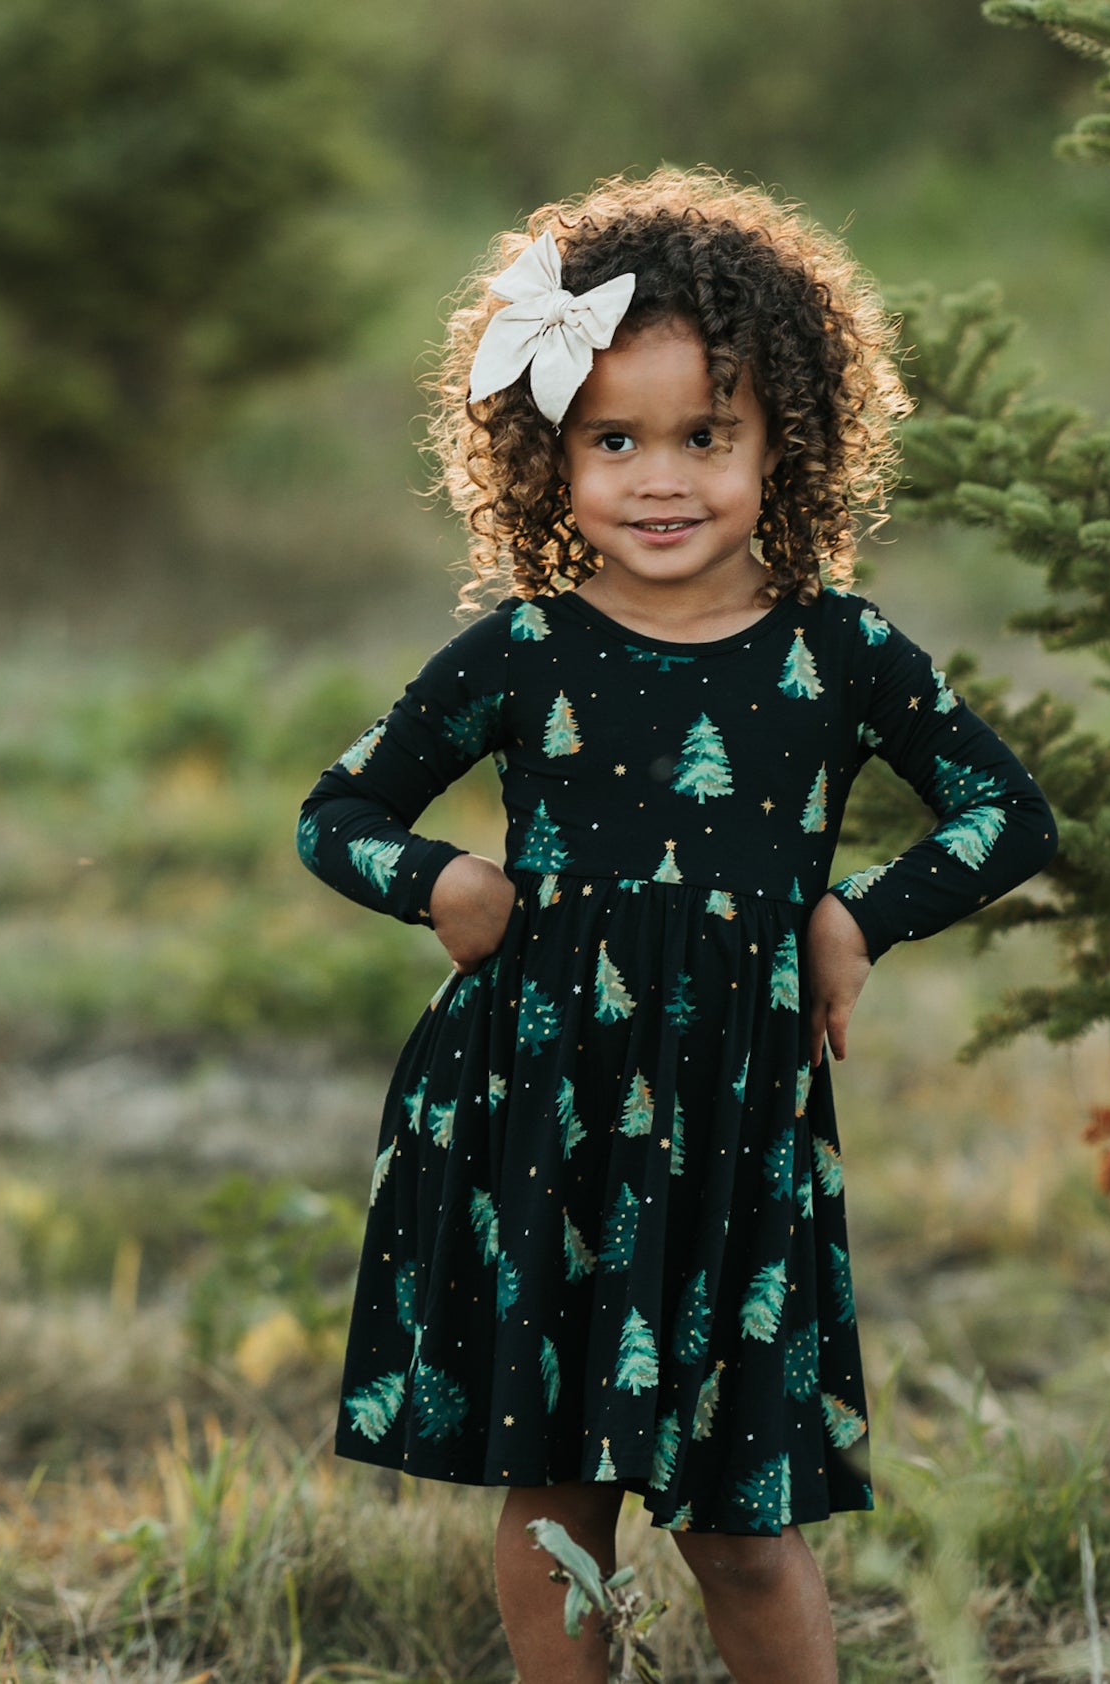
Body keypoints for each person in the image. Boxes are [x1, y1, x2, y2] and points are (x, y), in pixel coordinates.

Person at [296, 168, 1057, 1684]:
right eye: (614, 440)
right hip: (538, 1121)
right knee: (556, 1500)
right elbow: (337, 813)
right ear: (550, 455)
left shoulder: (840, 651)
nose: (662, 481)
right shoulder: (521, 650)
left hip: (735, 1138)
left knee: (744, 1529)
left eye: (706, 438)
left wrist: (859, 916)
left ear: (784, 445)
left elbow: (1005, 815)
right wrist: (441, 884)